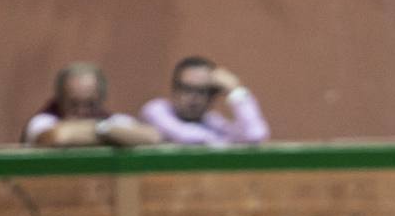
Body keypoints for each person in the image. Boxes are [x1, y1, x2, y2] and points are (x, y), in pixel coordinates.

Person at [140, 57, 271, 148]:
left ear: (212, 96)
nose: (193, 97)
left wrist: (235, 90)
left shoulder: (212, 122)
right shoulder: (156, 110)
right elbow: (187, 138)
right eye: (186, 89)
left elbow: (255, 135)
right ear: (174, 90)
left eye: (201, 91)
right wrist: (227, 144)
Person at [21, 63, 161, 147]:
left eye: (90, 104)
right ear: (60, 99)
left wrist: (101, 128)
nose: (82, 111)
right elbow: (58, 137)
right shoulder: (41, 121)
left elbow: (151, 137)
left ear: (101, 99)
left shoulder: (110, 122)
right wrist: (112, 135)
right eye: (74, 104)